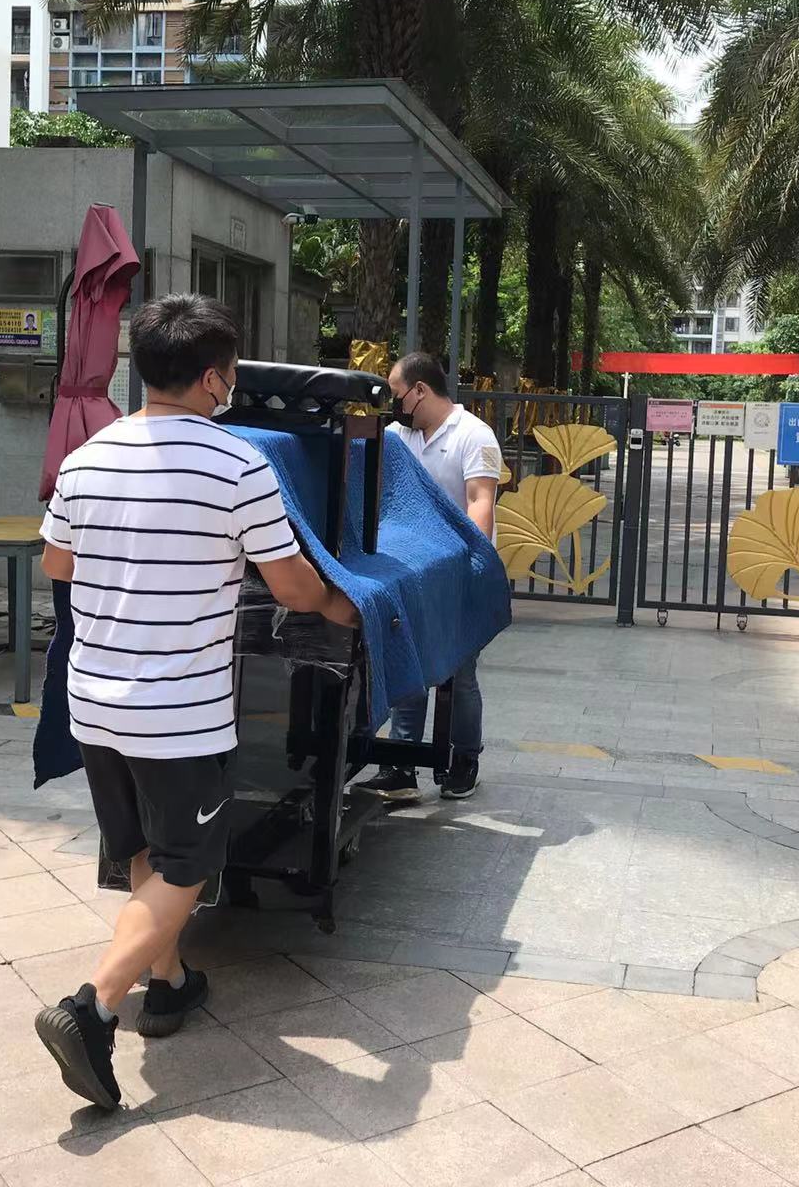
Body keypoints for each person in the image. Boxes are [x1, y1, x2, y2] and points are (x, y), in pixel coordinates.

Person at [35, 293, 357, 1110]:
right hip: (177, 711)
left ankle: (171, 981)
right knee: (190, 864)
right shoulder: (237, 465)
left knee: (146, 850)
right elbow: (292, 585)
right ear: (214, 378)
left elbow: (56, 564)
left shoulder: (87, 457)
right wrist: (345, 606)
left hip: (94, 701)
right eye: (231, 373)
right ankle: (92, 1007)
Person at [355, 351, 499, 803]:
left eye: (397, 395)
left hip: (458, 570)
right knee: (408, 664)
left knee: (459, 673)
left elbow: (480, 501)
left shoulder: (474, 435)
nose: (394, 406)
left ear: (420, 390)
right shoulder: (397, 436)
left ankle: (463, 759)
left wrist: (470, 563)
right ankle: (400, 765)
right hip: (410, 573)